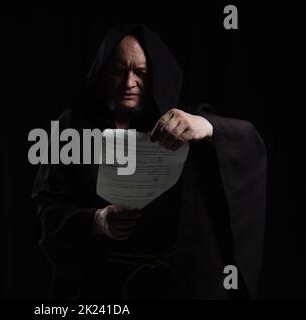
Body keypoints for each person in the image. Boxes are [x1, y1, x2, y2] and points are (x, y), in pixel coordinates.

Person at [32, 24, 266, 299]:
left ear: (153, 75)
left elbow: (248, 141)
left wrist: (205, 125)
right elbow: (47, 208)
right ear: (102, 71)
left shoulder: (178, 120)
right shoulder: (69, 127)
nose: (129, 83)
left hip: (175, 286)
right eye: (118, 70)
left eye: (140, 72)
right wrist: (97, 221)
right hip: (101, 286)